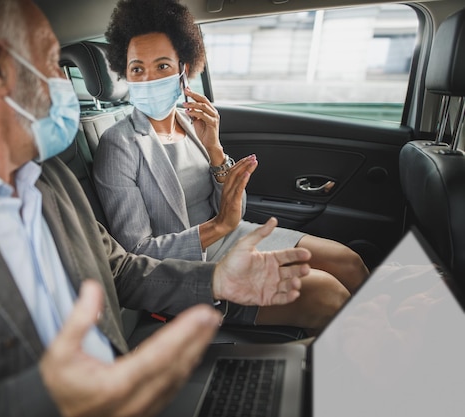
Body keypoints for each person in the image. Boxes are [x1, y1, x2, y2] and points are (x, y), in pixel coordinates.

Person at [0, 0, 313, 416]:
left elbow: (122, 270)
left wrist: (215, 280)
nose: (63, 82)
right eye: (50, 59)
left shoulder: (47, 177)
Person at [94, 0, 370, 333]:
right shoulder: (119, 144)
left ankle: (383, 337)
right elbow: (136, 253)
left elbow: (230, 209)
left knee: (348, 262)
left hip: (233, 237)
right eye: (138, 68)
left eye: (163, 66)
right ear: (125, 74)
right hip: (186, 271)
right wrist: (219, 227)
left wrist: (214, 150)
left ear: (184, 68)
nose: (149, 78)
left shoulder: (189, 122)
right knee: (327, 294)